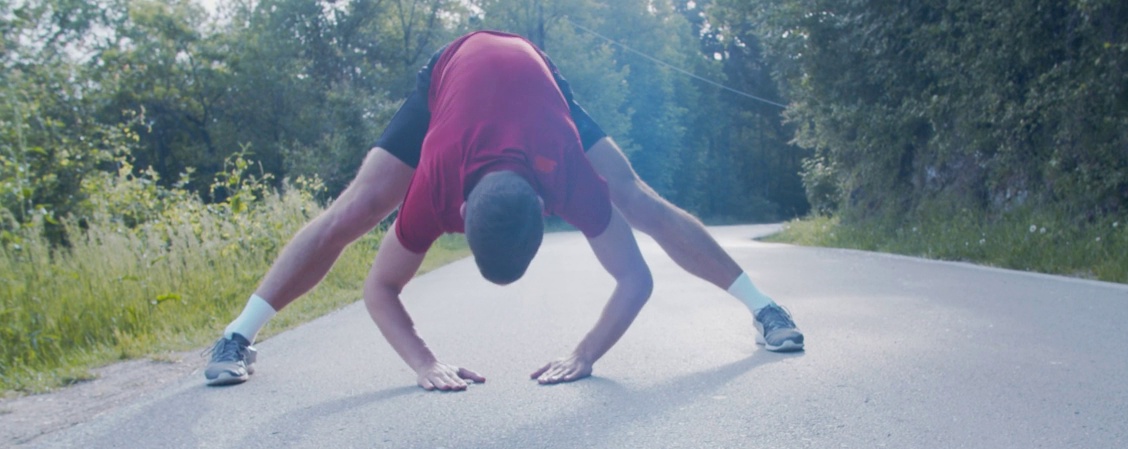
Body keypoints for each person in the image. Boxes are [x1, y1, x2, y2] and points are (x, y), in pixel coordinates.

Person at [204, 30, 803, 389]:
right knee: (358, 207)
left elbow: (636, 277)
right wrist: (424, 362)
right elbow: (379, 287)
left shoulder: (567, 168)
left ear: (548, 207)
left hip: (537, 78)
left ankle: (766, 309)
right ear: (456, 207)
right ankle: (236, 337)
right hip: (452, 72)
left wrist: (583, 354)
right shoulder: (435, 179)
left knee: (634, 194)